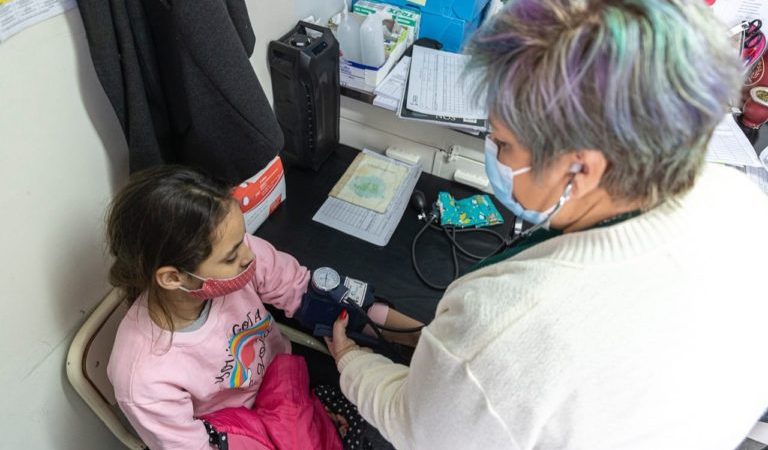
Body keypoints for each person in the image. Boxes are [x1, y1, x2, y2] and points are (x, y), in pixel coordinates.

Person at [324, 1, 768, 449]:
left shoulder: (509, 328)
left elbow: (415, 424)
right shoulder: (742, 203)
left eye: (502, 143)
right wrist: (451, 356)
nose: (493, 156)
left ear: (580, 169)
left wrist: (351, 362)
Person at [105, 166, 421, 450]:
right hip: (238, 433)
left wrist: (419, 335)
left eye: (243, 239)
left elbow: (315, 298)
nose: (248, 256)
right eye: (230, 256)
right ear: (173, 277)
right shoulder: (144, 377)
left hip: (288, 390)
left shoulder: (243, 258)